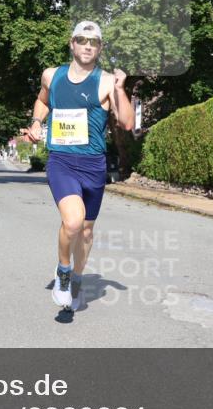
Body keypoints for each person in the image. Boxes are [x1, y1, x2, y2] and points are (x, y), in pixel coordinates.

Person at [22, 21, 135, 313]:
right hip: (61, 161)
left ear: (100, 48)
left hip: (93, 165)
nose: (87, 46)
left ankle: (77, 280)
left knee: (85, 231)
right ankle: (62, 273)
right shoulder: (51, 75)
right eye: (82, 40)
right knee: (72, 221)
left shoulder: (108, 81)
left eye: (93, 42)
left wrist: (121, 89)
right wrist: (36, 122)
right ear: (72, 43)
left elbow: (127, 123)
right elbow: (42, 101)